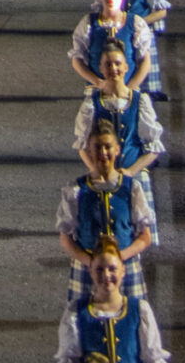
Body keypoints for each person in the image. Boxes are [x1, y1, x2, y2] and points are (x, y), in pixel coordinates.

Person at [56, 117, 156, 307]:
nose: (103, 153)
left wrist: (118, 260)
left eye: (108, 147)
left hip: (125, 267)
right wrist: (91, 263)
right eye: (97, 147)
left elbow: (145, 237)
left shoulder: (131, 188)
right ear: (89, 151)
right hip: (86, 270)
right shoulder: (75, 190)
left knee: (129, 322)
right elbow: (65, 239)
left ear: (117, 149)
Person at [56, 236, 169, 363]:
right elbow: (69, 359)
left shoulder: (140, 310)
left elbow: (153, 358)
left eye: (112, 269)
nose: (106, 275)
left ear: (123, 271)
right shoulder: (76, 312)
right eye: (99, 269)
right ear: (91, 272)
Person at [74, 40, 165, 180]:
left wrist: (131, 171)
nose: (113, 68)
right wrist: (96, 171)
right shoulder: (92, 103)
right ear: (101, 69)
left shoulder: (139, 101)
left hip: (134, 177)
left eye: (117, 64)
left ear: (126, 67)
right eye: (108, 64)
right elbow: (83, 145)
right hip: (102, 178)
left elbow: (153, 148)